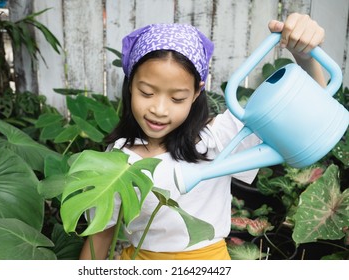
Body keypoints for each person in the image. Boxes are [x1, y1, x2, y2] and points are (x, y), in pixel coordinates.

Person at [79, 13, 326, 260]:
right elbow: (101, 234)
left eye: (177, 98)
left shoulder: (218, 136)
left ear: (197, 93)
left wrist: (305, 56)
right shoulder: (118, 156)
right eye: (146, 93)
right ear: (131, 84)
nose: (159, 110)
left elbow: (309, 112)